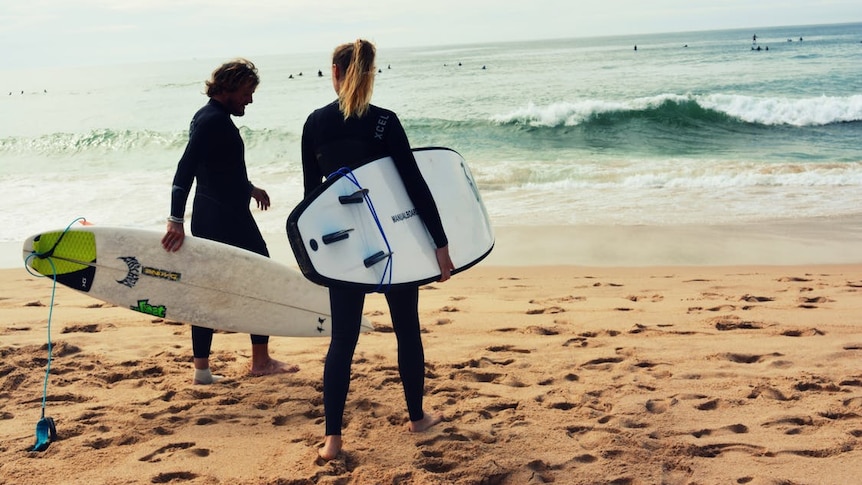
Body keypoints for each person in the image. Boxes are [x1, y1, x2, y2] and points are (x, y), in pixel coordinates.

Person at [300, 39, 454, 461]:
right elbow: (413, 187)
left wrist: (317, 259)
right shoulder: (385, 122)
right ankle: (417, 418)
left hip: (344, 248)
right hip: (394, 245)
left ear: (334, 72)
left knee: (343, 340)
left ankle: (332, 441)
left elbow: (311, 200)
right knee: (406, 328)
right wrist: (440, 245)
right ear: (370, 74)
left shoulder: (314, 124)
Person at [161, 58, 297, 385]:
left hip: (217, 214)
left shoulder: (208, 117)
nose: (250, 99)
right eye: (247, 92)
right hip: (226, 219)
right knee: (261, 278)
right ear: (229, 87)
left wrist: (250, 188)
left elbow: (218, 169)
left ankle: (202, 371)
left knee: (206, 290)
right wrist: (175, 219)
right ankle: (261, 361)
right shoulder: (213, 121)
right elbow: (186, 170)